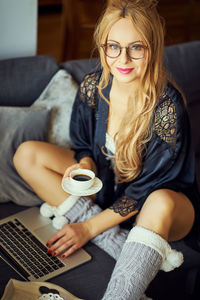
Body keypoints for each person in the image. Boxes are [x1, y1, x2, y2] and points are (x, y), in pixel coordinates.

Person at [13, 0, 200, 299]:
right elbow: (83, 144)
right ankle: (120, 244)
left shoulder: (167, 107)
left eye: (136, 47)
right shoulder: (92, 86)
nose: (122, 58)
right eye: (113, 46)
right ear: (102, 46)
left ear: (152, 47)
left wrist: (86, 229)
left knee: (160, 201)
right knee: (27, 154)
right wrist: (85, 163)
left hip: (161, 207)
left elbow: (145, 189)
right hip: (107, 189)